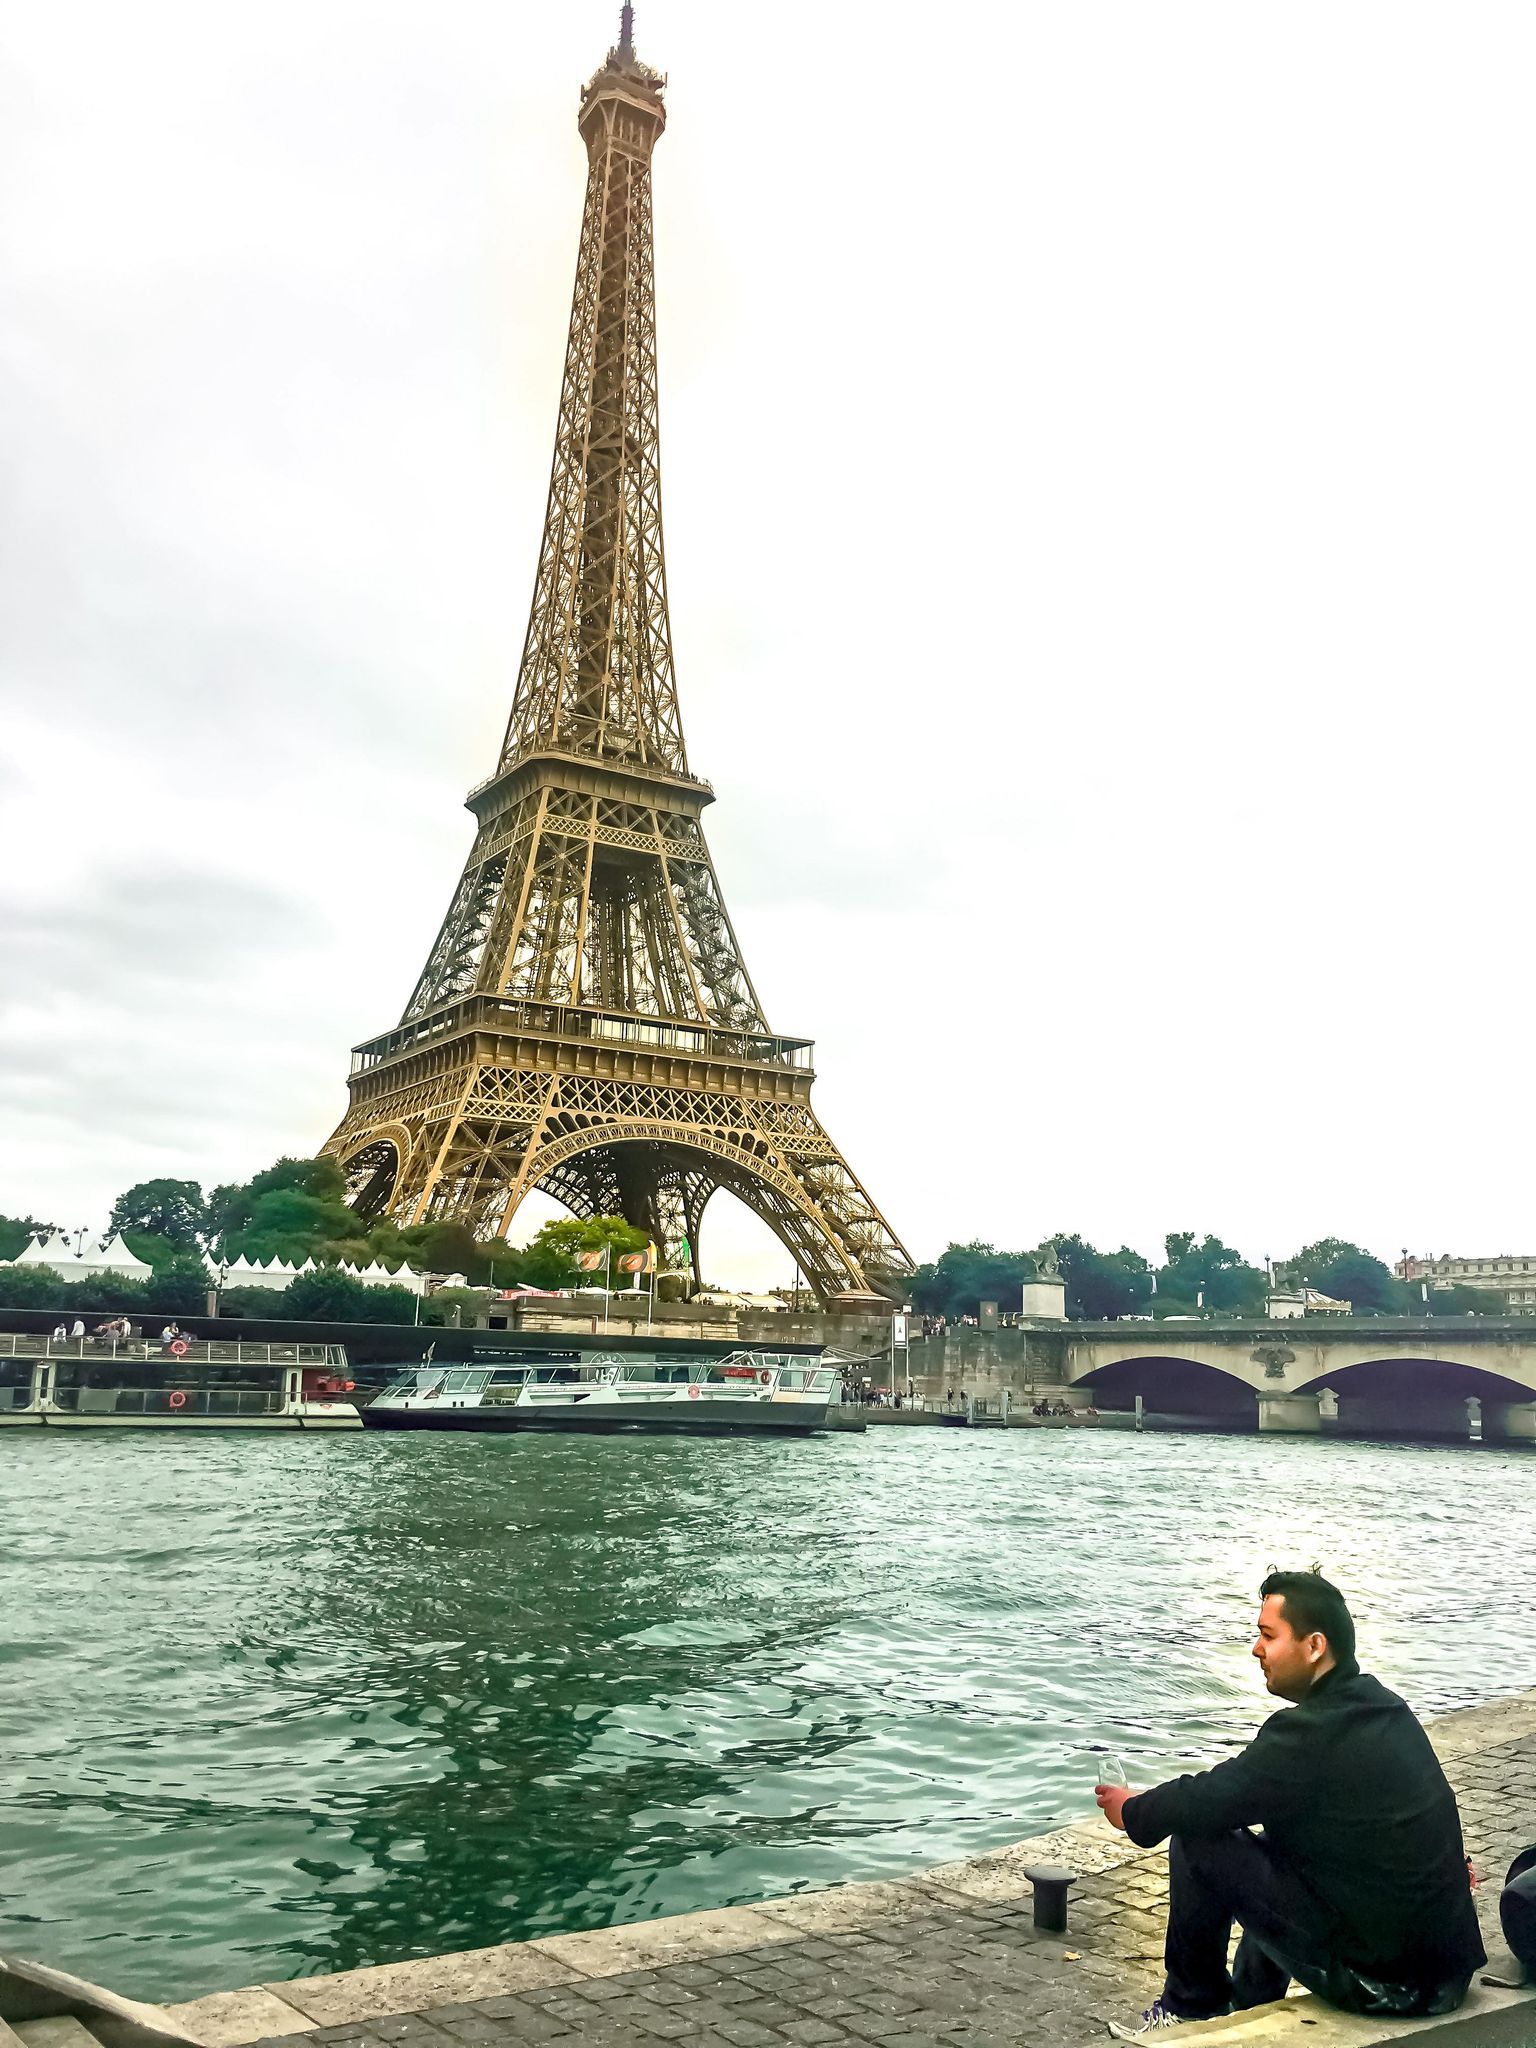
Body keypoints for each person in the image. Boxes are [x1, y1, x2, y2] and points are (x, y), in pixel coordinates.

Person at [1097, 1571, 1484, 2036]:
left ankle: (1189, 2009)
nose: (1256, 1650)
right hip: (1444, 1974)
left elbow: (1212, 1800)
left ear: (1315, 1645)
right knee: (1277, 1846)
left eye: (1267, 1636)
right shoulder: (1385, 1709)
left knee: (1200, 1840)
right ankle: (1246, 2005)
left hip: (1389, 1986)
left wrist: (1132, 1811)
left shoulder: (1309, 1733)